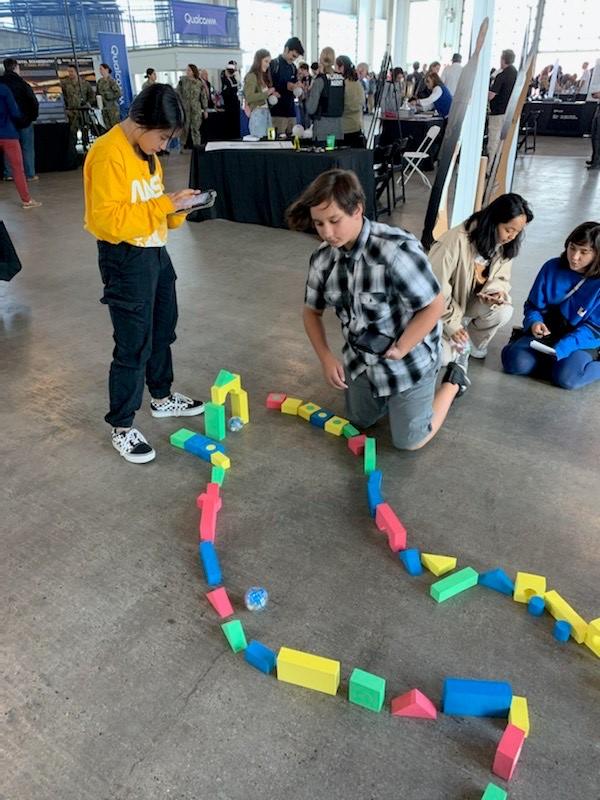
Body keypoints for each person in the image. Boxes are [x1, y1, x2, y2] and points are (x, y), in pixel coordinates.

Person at [287, 168, 470, 451]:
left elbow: (435, 305)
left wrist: (403, 347)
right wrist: (325, 358)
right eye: (319, 223)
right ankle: (390, 399)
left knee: (409, 441)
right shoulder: (323, 259)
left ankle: (455, 375)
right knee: (359, 421)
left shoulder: (396, 250)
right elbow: (311, 312)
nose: (327, 232)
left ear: (357, 209)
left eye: (334, 221)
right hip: (361, 360)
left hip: (409, 360)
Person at [83, 83, 205, 463]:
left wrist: (178, 208)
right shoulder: (107, 154)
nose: (166, 146)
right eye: (164, 137)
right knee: (133, 343)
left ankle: (162, 397)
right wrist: (163, 204)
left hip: (155, 252)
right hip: (124, 258)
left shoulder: (145, 153)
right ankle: (122, 426)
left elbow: (153, 212)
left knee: (163, 328)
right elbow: (108, 220)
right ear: (142, 122)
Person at [429, 193, 533, 366]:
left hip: (468, 303)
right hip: (443, 309)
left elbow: (502, 277)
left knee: (504, 310)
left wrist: (495, 290)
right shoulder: (454, 242)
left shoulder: (504, 244)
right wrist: (453, 325)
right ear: (493, 221)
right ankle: (455, 336)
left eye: (518, 232)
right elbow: (434, 290)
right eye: (509, 230)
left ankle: (470, 340)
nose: (512, 236)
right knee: (444, 359)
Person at [502, 222, 600, 390]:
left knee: (566, 379)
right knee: (514, 363)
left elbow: (593, 329)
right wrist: (534, 322)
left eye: (584, 252)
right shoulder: (552, 267)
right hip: (547, 333)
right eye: (572, 248)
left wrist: (564, 347)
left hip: (581, 340)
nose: (574, 257)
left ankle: (573, 365)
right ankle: (557, 364)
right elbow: (533, 305)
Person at [0, 82, 41, 208]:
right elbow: (15, 112)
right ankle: (26, 200)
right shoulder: (4, 88)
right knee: (17, 168)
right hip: (8, 133)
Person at [0, 57, 39, 182]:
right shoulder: (22, 83)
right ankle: (30, 174)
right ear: (16, 67)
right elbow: (33, 101)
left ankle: (9, 173)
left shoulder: (2, 84)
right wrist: (32, 116)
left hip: (7, 122)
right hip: (25, 120)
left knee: (8, 148)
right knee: (27, 147)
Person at [306, 47, 345, 145]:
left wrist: (306, 95)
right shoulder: (341, 79)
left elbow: (311, 108)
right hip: (338, 128)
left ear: (320, 60)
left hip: (322, 129)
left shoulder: (320, 81)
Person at [487, 49, 518, 171]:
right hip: (510, 112)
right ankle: (501, 166)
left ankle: (490, 168)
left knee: (493, 140)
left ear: (503, 59)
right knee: (504, 141)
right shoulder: (516, 73)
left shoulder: (502, 75)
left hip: (498, 111)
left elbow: (491, 95)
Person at [269, 37, 304, 136]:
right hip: (277, 113)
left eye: (296, 57)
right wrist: (286, 86)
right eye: (293, 55)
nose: (293, 59)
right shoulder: (274, 64)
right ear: (286, 49)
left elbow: (294, 85)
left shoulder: (293, 67)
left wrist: (297, 86)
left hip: (291, 112)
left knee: (292, 143)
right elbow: (268, 86)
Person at [243, 49, 278, 138]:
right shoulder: (251, 76)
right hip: (258, 114)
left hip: (265, 113)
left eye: (269, 62)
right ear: (259, 61)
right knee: (260, 143)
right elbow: (249, 96)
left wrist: (271, 95)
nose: (268, 65)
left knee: (268, 142)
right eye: (266, 61)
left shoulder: (262, 77)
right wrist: (267, 93)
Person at [60, 64, 96, 150]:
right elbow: (61, 97)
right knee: (72, 136)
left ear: (76, 72)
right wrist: (65, 109)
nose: (70, 73)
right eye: (68, 72)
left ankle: (86, 150)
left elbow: (92, 96)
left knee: (85, 133)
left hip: (83, 113)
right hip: (72, 113)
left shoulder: (84, 83)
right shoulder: (64, 84)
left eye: (71, 71)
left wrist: (88, 104)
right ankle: (73, 156)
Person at [336, 55, 365, 147]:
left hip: (343, 129)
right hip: (357, 126)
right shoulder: (358, 84)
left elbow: (338, 107)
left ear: (341, 67)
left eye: (335, 66)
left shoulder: (341, 85)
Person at [177, 64, 208, 147]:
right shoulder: (182, 81)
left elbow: (203, 96)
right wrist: (179, 104)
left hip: (196, 108)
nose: (187, 72)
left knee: (196, 128)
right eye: (187, 70)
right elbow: (177, 93)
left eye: (189, 70)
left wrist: (205, 110)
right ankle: (182, 145)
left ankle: (197, 146)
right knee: (184, 128)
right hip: (185, 108)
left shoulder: (199, 83)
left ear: (194, 71)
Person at [378, 67, 405, 147]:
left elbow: (400, 98)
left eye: (401, 78)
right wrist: (383, 111)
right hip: (387, 112)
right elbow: (383, 98)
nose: (399, 79)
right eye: (398, 77)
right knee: (386, 131)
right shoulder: (387, 84)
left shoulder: (400, 84)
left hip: (395, 112)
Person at [96, 63, 122, 131]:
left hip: (112, 109)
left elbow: (118, 93)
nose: (100, 71)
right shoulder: (99, 82)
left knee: (115, 127)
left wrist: (109, 96)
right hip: (104, 108)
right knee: (106, 128)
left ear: (106, 69)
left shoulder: (111, 81)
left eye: (101, 69)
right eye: (99, 69)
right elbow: (97, 94)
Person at [220, 60, 240, 139]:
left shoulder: (230, 79)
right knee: (232, 124)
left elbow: (226, 93)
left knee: (232, 124)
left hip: (232, 104)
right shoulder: (231, 78)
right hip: (232, 103)